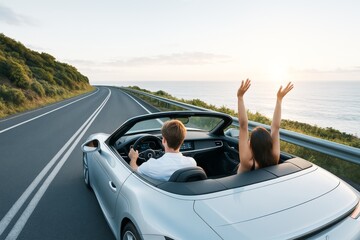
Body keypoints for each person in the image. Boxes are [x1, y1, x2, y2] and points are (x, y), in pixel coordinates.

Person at [237, 79, 294, 173]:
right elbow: (275, 128)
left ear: (252, 146)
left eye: (250, 140)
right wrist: (279, 100)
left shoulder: (247, 163)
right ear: (269, 144)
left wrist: (240, 97)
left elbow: (243, 126)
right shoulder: (274, 158)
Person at [128, 119, 197, 181]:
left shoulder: (151, 166)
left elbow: (134, 170)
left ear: (163, 140)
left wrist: (133, 158)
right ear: (182, 141)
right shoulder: (192, 163)